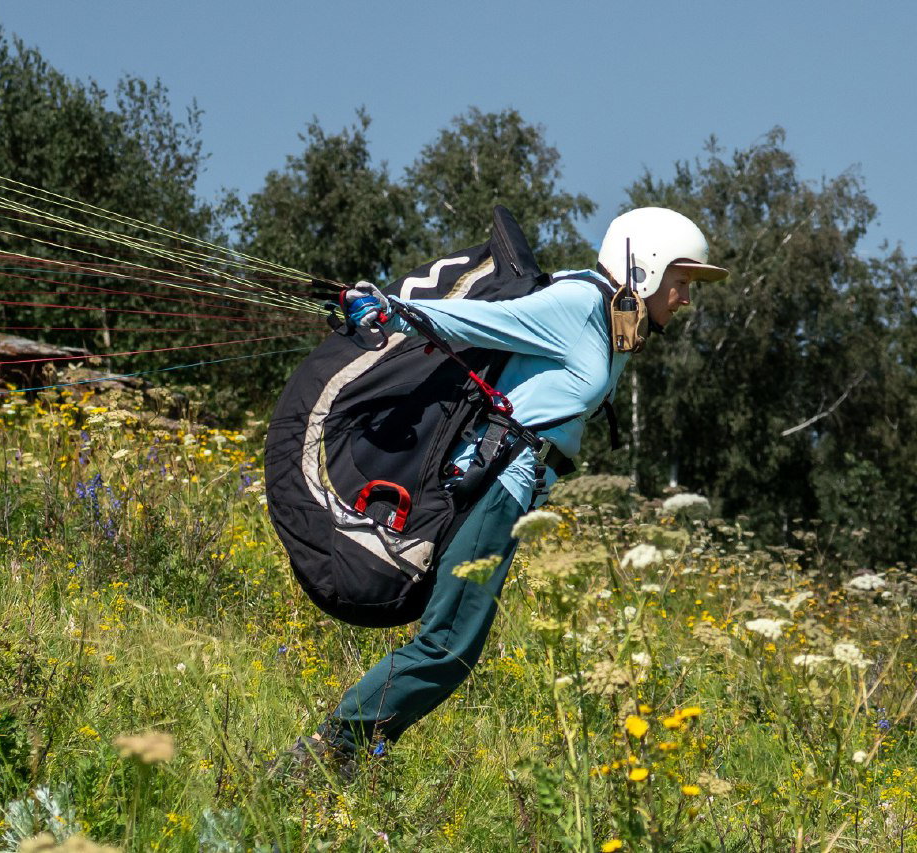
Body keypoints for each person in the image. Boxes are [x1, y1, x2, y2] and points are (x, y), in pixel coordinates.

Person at [282, 206, 729, 780]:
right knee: (449, 645)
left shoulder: (610, 321)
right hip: (497, 488)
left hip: (510, 494)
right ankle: (330, 749)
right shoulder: (579, 306)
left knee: (448, 638)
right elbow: (477, 321)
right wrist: (392, 309)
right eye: (682, 280)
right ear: (644, 267)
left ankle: (341, 749)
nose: (686, 297)